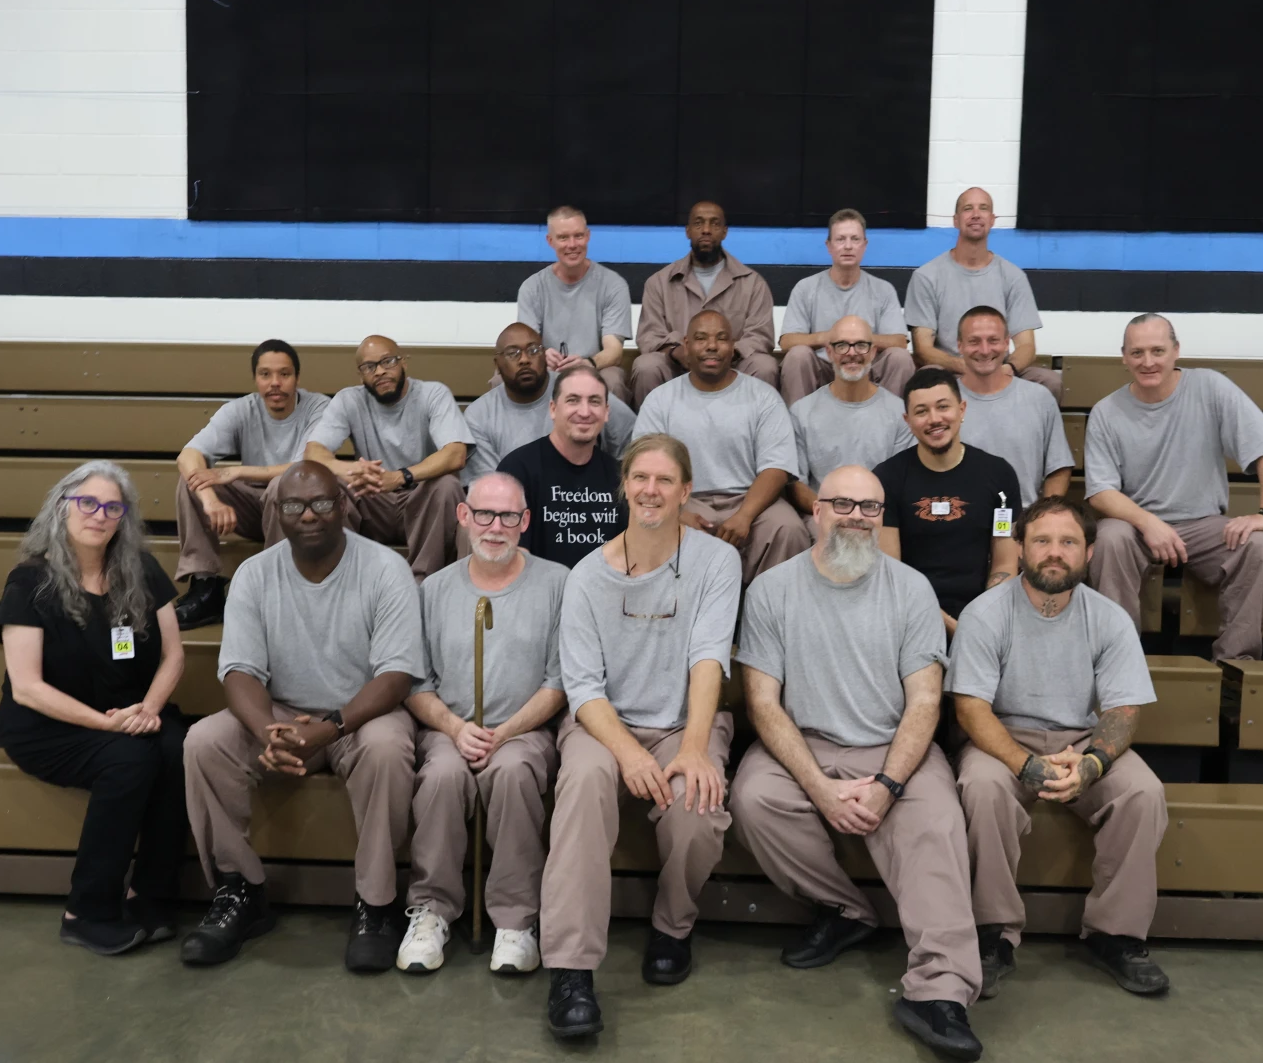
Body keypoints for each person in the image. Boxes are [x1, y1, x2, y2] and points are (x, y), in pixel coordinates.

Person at [729, 466, 984, 1062]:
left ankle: (939, 992)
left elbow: (925, 700)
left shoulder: (911, 589)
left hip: (893, 746)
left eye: (870, 508)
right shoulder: (771, 590)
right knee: (753, 800)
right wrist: (819, 788)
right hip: (804, 743)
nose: (856, 517)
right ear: (816, 511)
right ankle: (845, 910)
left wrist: (890, 784)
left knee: (937, 821)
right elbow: (763, 702)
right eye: (842, 504)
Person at [181, 461, 424, 973]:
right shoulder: (254, 573)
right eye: (293, 505)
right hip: (283, 714)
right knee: (203, 742)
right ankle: (240, 892)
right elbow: (240, 671)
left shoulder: (385, 569)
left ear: (343, 507)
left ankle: (377, 906)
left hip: (360, 715)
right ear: (277, 512)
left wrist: (331, 727)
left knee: (387, 748)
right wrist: (266, 730)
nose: (308, 514)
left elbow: (397, 675)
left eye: (321, 502)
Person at [541, 434, 741, 1039]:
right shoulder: (585, 578)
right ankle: (571, 971)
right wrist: (627, 753)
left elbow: (709, 658)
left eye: (664, 480)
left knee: (697, 809)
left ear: (685, 491)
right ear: (623, 486)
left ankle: (672, 926)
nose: (650, 490)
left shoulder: (716, 561)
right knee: (581, 789)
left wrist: (693, 748)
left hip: (685, 720)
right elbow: (582, 688)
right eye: (640, 479)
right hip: (604, 725)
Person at [948, 496, 1171, 997]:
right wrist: (1023, 764)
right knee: (980, 789)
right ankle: (993, 935)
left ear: (1089, 552)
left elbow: (1122, 710)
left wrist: (1092, 764)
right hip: (1003, 738)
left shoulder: (1110, 618)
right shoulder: (985, 614)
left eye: (1068, 542)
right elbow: (971, 710)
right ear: (1020, 548)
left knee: (1142, 792)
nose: (1054, 552)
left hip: (1081, 740)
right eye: (1042, 540)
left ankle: (1115, 936)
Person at [0, 460, 187, 955]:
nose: (99, 515)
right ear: (61, 508)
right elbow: (27, 688)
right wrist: (107, 725)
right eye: (87, 503)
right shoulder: (29, 582)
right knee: (130, 760)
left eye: (112, 507)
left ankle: (149, 893)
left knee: (175, 746)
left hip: (130, 710)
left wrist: (149, 709)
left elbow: (174, 654)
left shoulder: (140, 569)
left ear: (123, 518)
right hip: (49, 726)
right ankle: (86, 910)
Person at [401, 473, 568, 976]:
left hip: (524, 731)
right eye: (485, 515)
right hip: (448, 729)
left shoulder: (558, 582)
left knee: (513, 773)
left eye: (509, 516)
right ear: (463, 516)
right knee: (442, 777)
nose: (496, 527)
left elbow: (560, 682)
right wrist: (454, 728)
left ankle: (516, 922)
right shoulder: (433, 590)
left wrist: (506, 732)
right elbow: (415, 683)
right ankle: (431, 911)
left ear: (526, 522)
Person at [1085, 313, 1263, 661]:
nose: (1147, 362)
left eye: (1157, 350)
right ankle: (1117, 661)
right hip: (1136, 526)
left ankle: (1234, 668)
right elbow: (1101, 492)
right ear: (1123, 356)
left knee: (1260, 548)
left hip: (1204, 524)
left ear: (1176, 350)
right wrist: (1150, 524)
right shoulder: (1106, 411)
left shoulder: (1210, 387)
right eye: (1137, 353)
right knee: (1110, 538)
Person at [633, 309, 808, 585]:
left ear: (733, 346)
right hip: (684, 499)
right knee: (656, 523)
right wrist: (676, 514)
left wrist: (744, 516)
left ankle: (765, 620)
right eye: (701, 338)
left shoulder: (763, 397)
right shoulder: (660, 400)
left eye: (722, 338)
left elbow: (776, 467)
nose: (712, 346)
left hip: (750, 500)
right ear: (686, 346)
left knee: (788, 529)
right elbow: (641, 467)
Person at [173, 339, 333, 628]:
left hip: (302, 508)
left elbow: (307, 466)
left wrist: (236, 471)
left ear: (297, 378)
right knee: (192, 481)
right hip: (251, 507)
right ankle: (206, 588)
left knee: (281, 485)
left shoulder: (319, 407)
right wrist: (210, 500)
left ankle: (276, 589)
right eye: (265, 375)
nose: (275, 383)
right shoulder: (239, 410)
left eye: (284, 374)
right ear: (255, 379)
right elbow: (188, 455)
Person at [304, 334, 472, 582]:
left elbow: (456, 454)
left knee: (447, 486)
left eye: (388, 362)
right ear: (361, 375)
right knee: (332, 485)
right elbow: (313, 454)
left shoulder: (432, 394)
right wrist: (354, 470)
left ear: (404, 362)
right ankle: (340, 580)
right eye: (369, 367)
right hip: (371, 499)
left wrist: (400, 477)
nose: (380, 371)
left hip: (420, 502)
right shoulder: (349, 399)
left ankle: (422, 584)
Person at [874, 367, 1021, 634]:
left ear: (962, 409)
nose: (934, 419)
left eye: (943, 407)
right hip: (910, 618)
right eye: (921, 411)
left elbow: (1005, 563)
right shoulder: (887, 478)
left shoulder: (999, 475)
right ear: (907, 420)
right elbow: (892, 575)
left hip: (983, 616)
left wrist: (981, 622)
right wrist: (953, 628)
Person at [905, 187, 1060, 400]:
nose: (976, 214)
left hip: (1000, 369)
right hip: (950, 372)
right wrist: (965, 367)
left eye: (983, 208)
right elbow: (923, 349)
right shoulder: (926, 276)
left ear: (993, 219)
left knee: (1049, 382)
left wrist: (1009, 369)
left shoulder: (1013, 276)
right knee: (925, 380)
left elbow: (1026, 346)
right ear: (956, 220)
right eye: (968, 208)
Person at [632, 200, 778, 408]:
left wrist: (728, 351)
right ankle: (651, 439)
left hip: (732, 367)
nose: (707, 230)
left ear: (725, 232)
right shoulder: (659, 282)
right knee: (647, 366)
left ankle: (758, 435)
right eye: (699, 224)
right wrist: (677, 351)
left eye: (714, 224)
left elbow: (760, 336)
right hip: (679, 366)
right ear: (688, 231)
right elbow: (649, 336)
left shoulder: (753, 283)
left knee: (764, 366)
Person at [463, 322, 634, 487]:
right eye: (513, 353)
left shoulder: (576, 389)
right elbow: (491, 488)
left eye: (533, 350)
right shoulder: (478, 415)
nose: (524, 360)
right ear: (497, 365)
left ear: (545, 356)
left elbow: (632, 435)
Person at [788, 315, 914, 533]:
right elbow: (797, 484)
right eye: (842, 345)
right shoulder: (802, 412)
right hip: (823, 520)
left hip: (878, 518)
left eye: (861, 345)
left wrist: (866, 515)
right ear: (829, 352)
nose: (852, 353)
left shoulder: (898, 413)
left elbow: (901, 485)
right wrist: (836, 514)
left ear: (873, 352)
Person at [777, 209, 914, 405]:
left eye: (855, 239)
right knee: (798, 356)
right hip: (824, 370)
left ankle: (892, 427)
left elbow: (899, 341)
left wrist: (858, 342)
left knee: (900, 358)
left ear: (865, 245)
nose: (848, 246)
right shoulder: (806, 288)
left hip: (866, 370)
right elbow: (787, 341)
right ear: (829, 246)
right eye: (840, 239)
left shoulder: (883, 290)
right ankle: (796, 431)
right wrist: (830, 339)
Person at [499, 361, 628, 568]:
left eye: (594, 402)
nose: (585, 412)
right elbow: (514, 559)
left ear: (606, 412)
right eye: (573, 400)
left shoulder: (619, 476)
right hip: (540, 593)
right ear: (553, 409)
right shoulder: (517, 469)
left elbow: (628, 556)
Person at [956, 306, 1074, 509]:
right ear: (960, 346)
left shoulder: (1039, 398)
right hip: (959, 522)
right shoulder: (944, 401)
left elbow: (1058, 468)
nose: (984, 350)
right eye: (974, 341)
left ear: (1006, 343)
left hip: (1022, 523)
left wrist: (1041, 517)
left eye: (993, 340)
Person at [516, 206, 636, 403]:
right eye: (563, 238)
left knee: (613, 379)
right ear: (550, 241)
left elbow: (613, 352)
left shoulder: (613, 285)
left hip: (593, 369)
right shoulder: (532, 287)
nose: (572, 245)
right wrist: (542, 355)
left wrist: (586, 363)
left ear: (588, 236)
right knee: (503, 377)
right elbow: (526, 345)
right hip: (546, 370)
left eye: (578, 236)